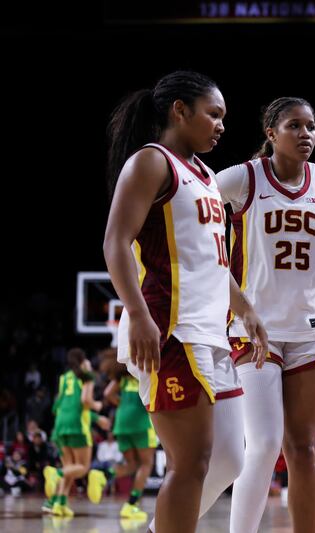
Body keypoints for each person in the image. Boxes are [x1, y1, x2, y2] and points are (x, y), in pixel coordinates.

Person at [103, 70, 267, 533]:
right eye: (213, 114)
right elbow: (115, 242)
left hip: (211, 330)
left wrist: (247, 309)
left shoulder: (208, 176)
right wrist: (135, 314)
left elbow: (214, 264)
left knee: (232, 458)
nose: (220, 125)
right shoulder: (151, 162)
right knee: (189, 463)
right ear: (180, 111)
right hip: (169, 329)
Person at [217, 96, 315, 533]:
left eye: (312, 127)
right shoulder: (243, 178)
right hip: (254, 327)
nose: (306, 135)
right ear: (271, 133)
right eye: (295, 126)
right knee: (263, 445)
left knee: (304, 448)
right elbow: (193, 202)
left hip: (311, 327)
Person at [42, 348, 108, 517]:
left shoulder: (64, 378)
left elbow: (57, 406)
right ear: (83, 361)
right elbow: (85, 401)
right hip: (77, 425)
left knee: (70, 467)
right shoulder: (86, 376)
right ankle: (55, 473)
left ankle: (58, 504)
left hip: (60, 425)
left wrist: (92, 417)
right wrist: (97, 408)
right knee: (83, 468)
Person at [104, 363, 157, 520]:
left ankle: (106, 474)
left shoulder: (124, 376)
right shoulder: (148, 372)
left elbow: (107, 393)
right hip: (140, 422)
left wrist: (123, 405)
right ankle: (131, 505)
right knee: (146, 464)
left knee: (132, 465)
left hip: (121, 422)